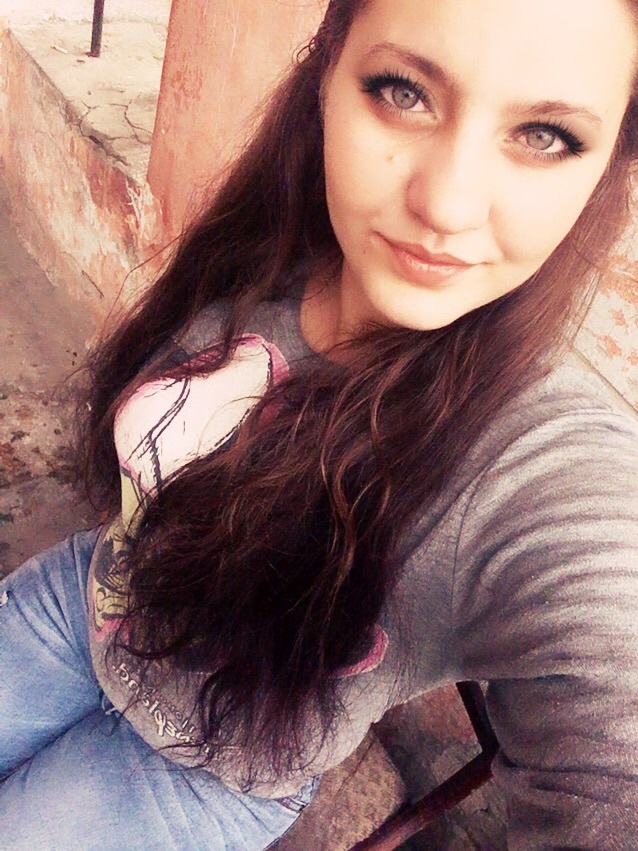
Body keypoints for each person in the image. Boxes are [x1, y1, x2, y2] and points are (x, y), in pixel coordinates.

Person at [1, 0, 638, 847]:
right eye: (404, 91)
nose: (447, 205)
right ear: (328, 72)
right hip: (83, 600)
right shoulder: (273, 248)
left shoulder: (540, 464)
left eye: (546, 135)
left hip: (208, 764)